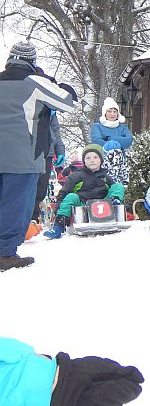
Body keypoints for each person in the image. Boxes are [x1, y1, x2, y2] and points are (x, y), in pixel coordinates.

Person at [0, 41, 76, 271]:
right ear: (32, 61)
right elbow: (69, 101)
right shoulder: (35, 82)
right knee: (16, 206)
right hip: (23, 157)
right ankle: (5, 253)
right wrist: (50, 80)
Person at [0, 336, 144, 406]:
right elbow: (16, 348)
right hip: (59, 388)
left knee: (120, 379)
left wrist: (36, 358)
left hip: (62, 378)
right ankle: (131, 382)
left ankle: (131, 381)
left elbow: (15, 348)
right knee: (121, 381)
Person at [44, 144, 126, 239]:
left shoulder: (106, 177)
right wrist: (58, 210)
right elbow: (63, 194)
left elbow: (114, 189)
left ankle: (115, 204)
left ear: (101, 160)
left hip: (104, 204)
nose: (92, 160)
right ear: (84, 161)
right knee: (71, 196)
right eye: (88, 158)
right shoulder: (76, 176)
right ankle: (59, 225)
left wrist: (115, 197)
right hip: (83, 205)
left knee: (118, 186)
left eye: (95, 157)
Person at [31, 109, 66, 222]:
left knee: (41, 189)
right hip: (28, 151)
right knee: (28, 188)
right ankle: (26, 220)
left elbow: (56, 132)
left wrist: (60, 150)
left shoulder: (50, 110)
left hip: (47, 153)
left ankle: (33, 220)